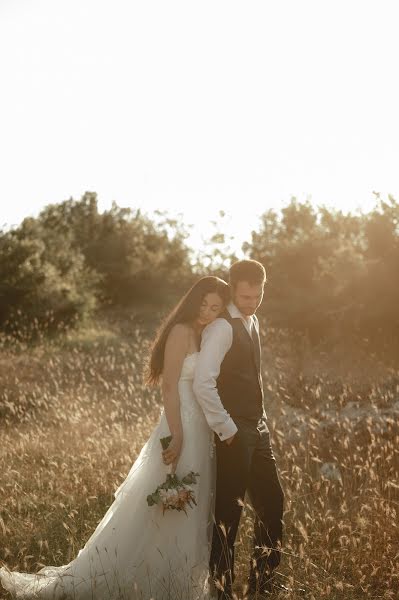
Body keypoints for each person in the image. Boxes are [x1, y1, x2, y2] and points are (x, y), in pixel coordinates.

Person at [0, 276, 230, 600]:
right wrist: (176, 435)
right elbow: (169, 386)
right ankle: (140, 579)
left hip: (199, 426)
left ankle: (178, 584)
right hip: (180, 424)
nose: (207, 311)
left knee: (189, 503)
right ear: (194, 301)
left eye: (215, 307)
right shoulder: (181, 331)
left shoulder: (204, 331)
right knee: (164, 501)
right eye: (204, 304)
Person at [193, 260, 285, 599]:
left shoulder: (254, 319)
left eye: (257, 296)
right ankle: (222, 590)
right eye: (244, 297)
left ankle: (262, 582)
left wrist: (261, 421)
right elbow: (203, 383)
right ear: (233, 290)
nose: (250, 303)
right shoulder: (221, 328)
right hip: (233, 431)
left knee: (273, 504)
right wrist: (226, 428)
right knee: (228, 517)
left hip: (258, 429)